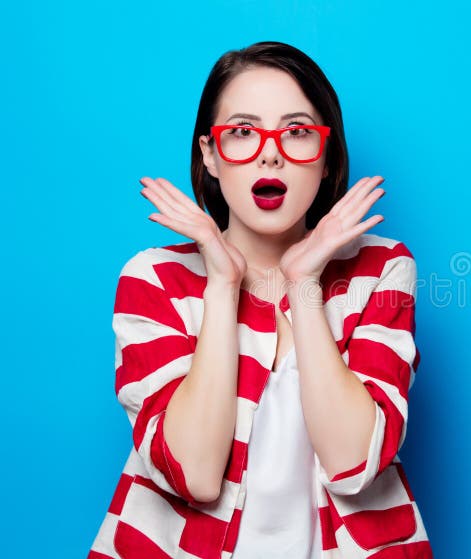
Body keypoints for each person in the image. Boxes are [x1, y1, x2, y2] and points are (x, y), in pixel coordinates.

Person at [88, 41, 432, 559]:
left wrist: (304, 286)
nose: (270, 152)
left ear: (326, 155)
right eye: (242, 132)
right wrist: (223, 286)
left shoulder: (382, 270)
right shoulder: (154, 278)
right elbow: (194, 477)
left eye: (296, 132)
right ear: (209, 153)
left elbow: (353, 464)